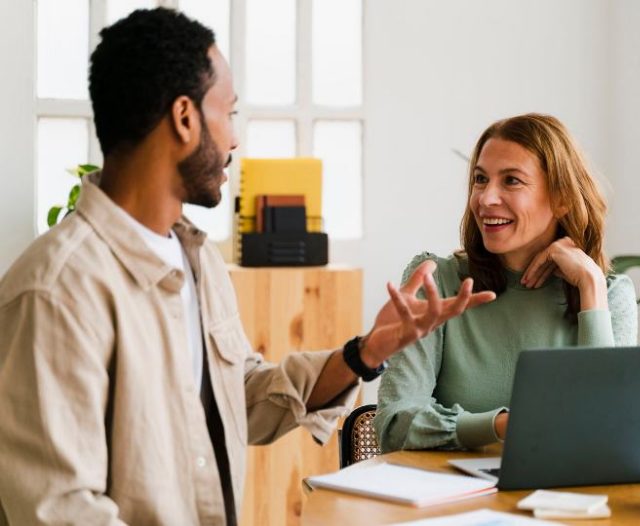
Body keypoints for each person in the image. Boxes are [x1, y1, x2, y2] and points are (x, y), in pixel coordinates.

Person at [0, 8, 494, 525]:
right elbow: (59, 510)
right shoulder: (56, 290)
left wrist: (365, 353)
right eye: (229, 113)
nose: (235, 140)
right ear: (185, 118)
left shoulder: (196, 261)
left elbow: (240, 396)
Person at [375, 113, 638, 453]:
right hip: (450, 500)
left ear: (562, 199)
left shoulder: (609, 295)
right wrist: (503, 425)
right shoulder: (435, 279)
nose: (485, 199)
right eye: (480, 179)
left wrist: (590, 284)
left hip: (565, 501)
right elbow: (394, 425)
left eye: (511, 181)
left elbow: (608, 430)